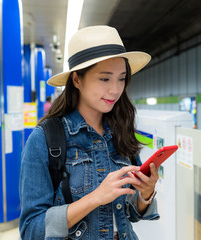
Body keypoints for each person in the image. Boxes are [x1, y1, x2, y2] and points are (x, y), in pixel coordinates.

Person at [19, 25, 160, 240]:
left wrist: (146, 193)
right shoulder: (46, 139)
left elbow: (130, 214)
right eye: (104, 79)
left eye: (121, 78)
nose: (115, 89)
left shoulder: (121, 130)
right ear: (77, 80)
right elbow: (31, 230)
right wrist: (95, 198)